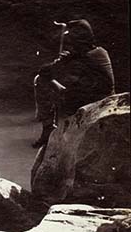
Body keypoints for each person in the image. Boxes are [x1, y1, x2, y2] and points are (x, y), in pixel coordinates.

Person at [33, 19, 115, 147]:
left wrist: (64, 63)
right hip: (81, 96)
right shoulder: (78, 56)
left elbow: (103, 85)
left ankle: (52, 127)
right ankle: (48, 128)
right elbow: (44, 72)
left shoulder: (97, 54)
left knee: (50, 82)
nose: (71, 44)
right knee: (40, 79)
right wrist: (60, 63)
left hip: (97, 101)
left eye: (74, 41)